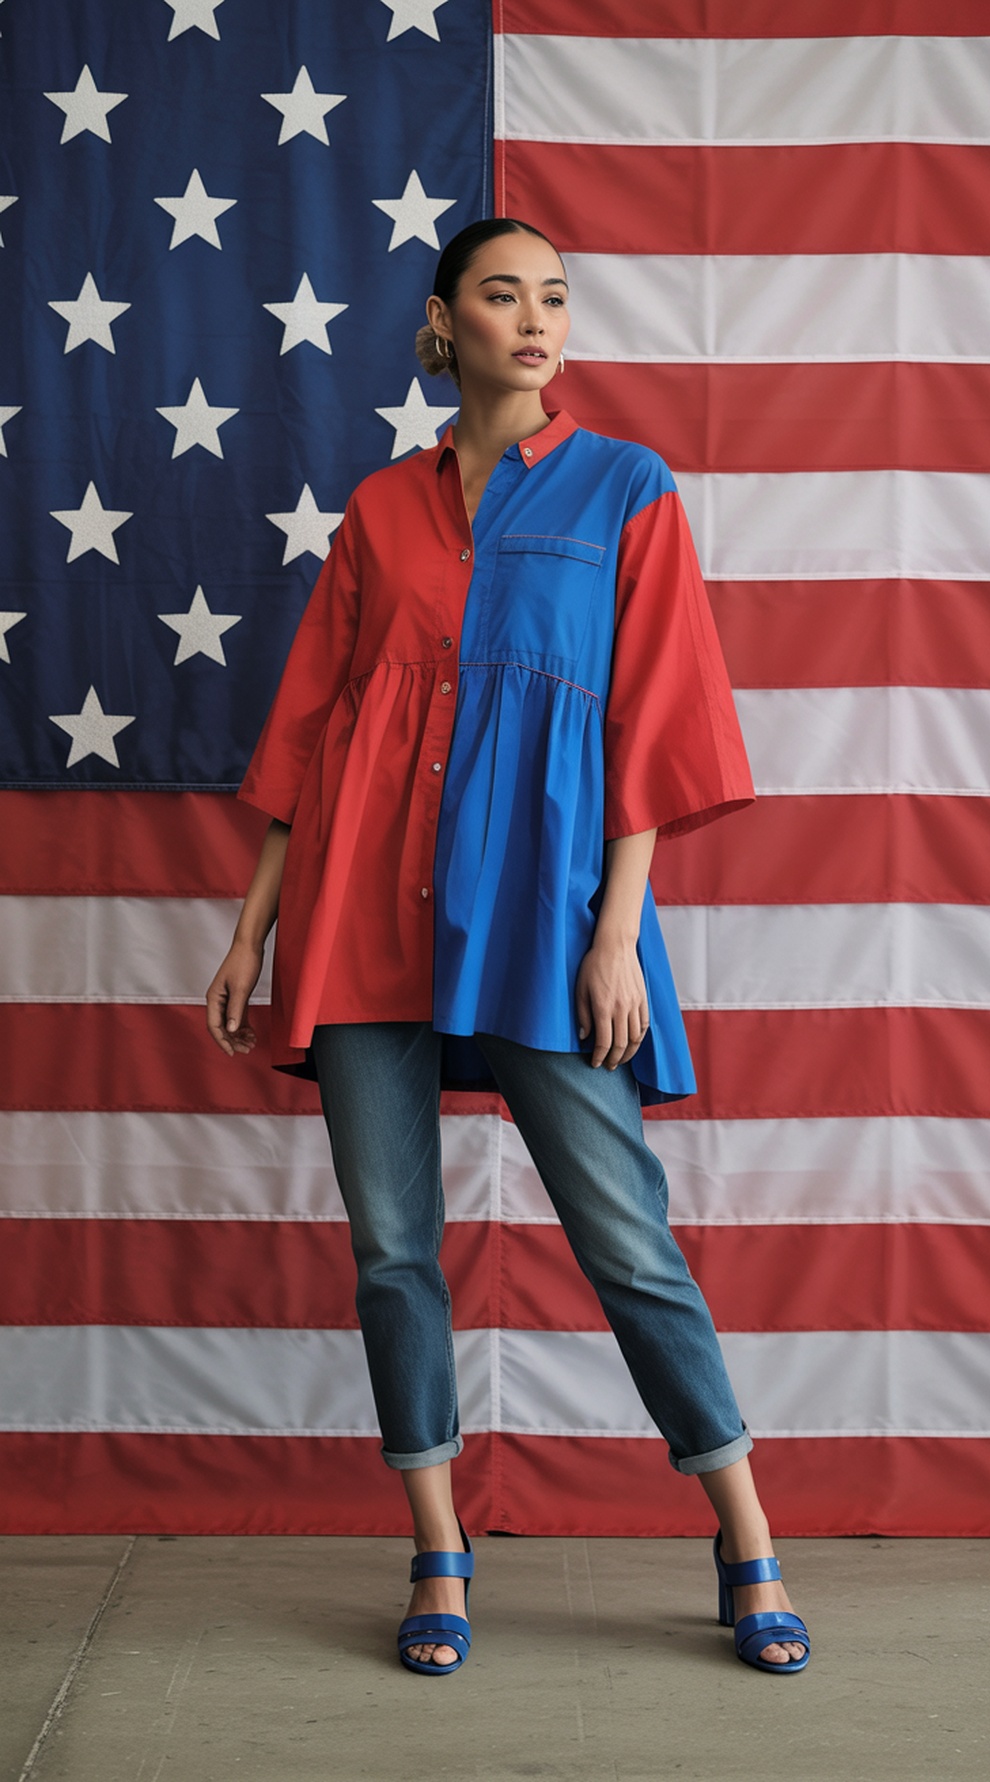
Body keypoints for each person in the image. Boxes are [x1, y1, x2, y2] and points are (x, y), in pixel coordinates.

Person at [206, 217, 810, 1678]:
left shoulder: (625, 491)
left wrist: (619, 933)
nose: (534, 320)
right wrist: (251, 928)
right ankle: (438, 1547)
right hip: (361, 910)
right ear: (443, 322)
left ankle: (746, 1533)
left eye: (554, 298)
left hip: (548, 917)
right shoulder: (377, 511)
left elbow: (650, 722)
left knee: (625, 1237)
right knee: (393, 1250)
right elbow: (311, 723)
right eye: (503, 295)